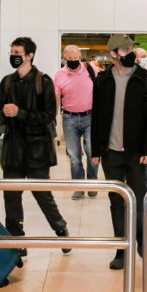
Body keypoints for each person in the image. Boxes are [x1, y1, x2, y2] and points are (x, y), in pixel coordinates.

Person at [0, 37, 70, 261]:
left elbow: (48, 116)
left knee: (42, 195)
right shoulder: (7, 82)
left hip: (37, 152)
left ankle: (61, 231)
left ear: (29, 55)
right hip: (12, 151)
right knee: (12, 198)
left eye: (17, 51)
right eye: (11, 51)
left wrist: (20, 113)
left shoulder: (43, 82)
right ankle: (17, 241)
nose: (13, 55)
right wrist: (3, 114)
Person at [91, 34, 147, 270]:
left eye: (131, 49)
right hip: (110, 152)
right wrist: (96, 149)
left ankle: (140, 242)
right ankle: (122, 249)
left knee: (139, 200)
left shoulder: (145, 79)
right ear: (113, 54)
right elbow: (97, 116)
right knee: (116, 201)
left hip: (137, 152)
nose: (129, 53)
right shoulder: (103, 79)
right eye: (124, 50)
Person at [54, 45, 99, 201]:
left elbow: (102, 89)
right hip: (69, 118)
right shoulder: (59, 75)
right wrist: (53, 121)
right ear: (64, 58)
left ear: (80, 57)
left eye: (76, 58)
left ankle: (92, 184)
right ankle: (79, 187)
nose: (73, 61)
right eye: (70, 59)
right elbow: (56, 99)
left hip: (90, 117)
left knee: (93, 152)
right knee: (74, 156)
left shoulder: (91, 69)